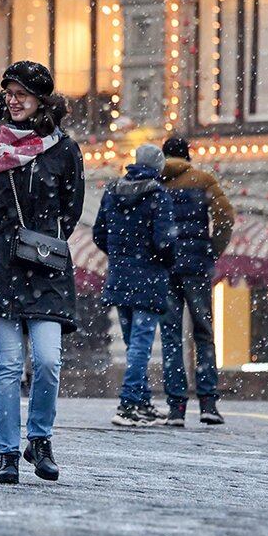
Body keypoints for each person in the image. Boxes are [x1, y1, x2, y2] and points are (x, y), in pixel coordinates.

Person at [0, 61, 84, 485]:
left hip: (43, 265)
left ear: (41, 99)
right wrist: (1, 237)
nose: (14, 99)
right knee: (9, 364)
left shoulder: (64, 149)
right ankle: (7, 452)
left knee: (47, 360)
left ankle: (39, 439)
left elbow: (72, 208)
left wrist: (40, 237)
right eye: (9, 92)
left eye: (22, 93)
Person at [94, 144, 176, 427]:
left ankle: (141, 402)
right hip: (149, 277)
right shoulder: (158, 195)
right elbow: (164, 240)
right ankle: (128, 404)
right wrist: (164, 260)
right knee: (141, 343)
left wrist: (120, 256)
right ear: (158, 167)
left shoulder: (112, 190)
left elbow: (98, 234)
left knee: (133, 343)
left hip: (120, 275)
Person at [158, 136, 235, 427]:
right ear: (188, 156)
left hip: (166, 267)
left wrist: (160, 253)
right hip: (196, 267)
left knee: (171, 337)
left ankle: (176, 407)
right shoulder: (203, 180)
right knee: (203, 333)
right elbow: (225, 215)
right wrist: (212, 248)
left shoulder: (157, 181)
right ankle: (208, 403)